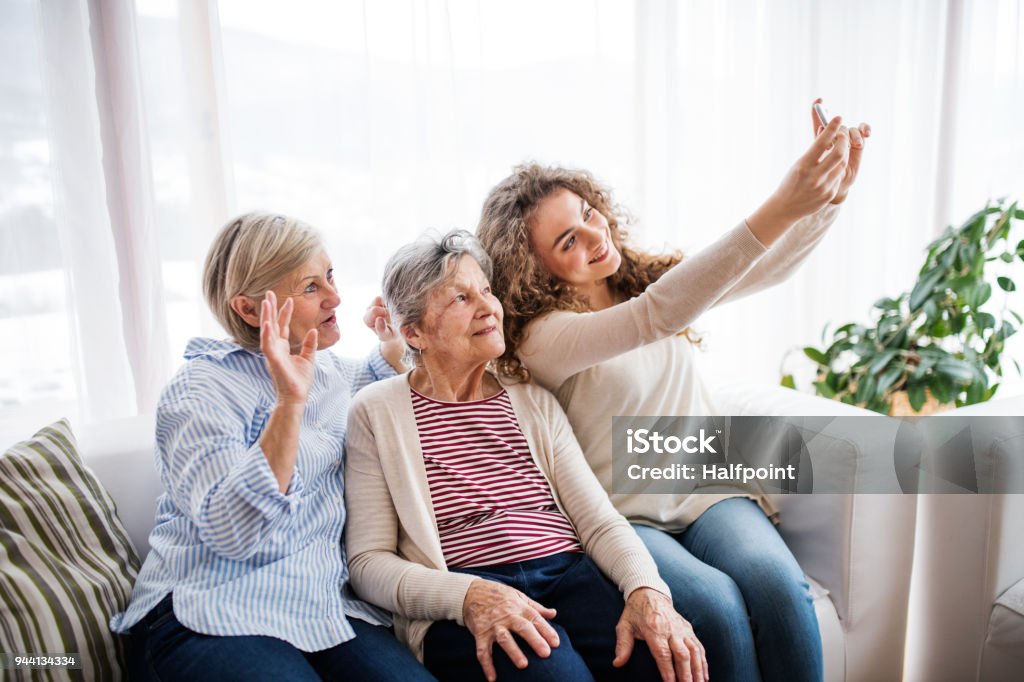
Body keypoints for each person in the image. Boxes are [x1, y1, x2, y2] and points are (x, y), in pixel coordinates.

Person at [475, 102, 872, 682]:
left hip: (712, 493)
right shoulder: (544, 337)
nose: (594, 235)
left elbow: (765, 269)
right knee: (714, 608)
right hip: (625, 516)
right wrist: (784, 201)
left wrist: (828, 196)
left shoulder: (642, 277)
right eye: (568, 240)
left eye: (589, 214)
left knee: (778, 587)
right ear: (534, 268)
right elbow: (652, 318)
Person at [344, 230, 708, 682]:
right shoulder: (376, 411)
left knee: (665, 660)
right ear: (413, 331)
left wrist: (647, 590)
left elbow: (598, 521)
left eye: (487, 291)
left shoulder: (532, 400)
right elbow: (367, 563)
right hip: (468, 587)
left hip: (569, 575)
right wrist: (469, 596)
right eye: (461, 298)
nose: (488, 308)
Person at [109, 212, 434, 681]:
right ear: (248, 309)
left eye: (330, 275)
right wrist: (288, 403)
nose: (335, 297)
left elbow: (386, 387)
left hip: (326, 611)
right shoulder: (199, 391)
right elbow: (232, 533)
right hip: (211, 610)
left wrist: (393, 339)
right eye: (310, 288)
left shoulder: (332, 372)